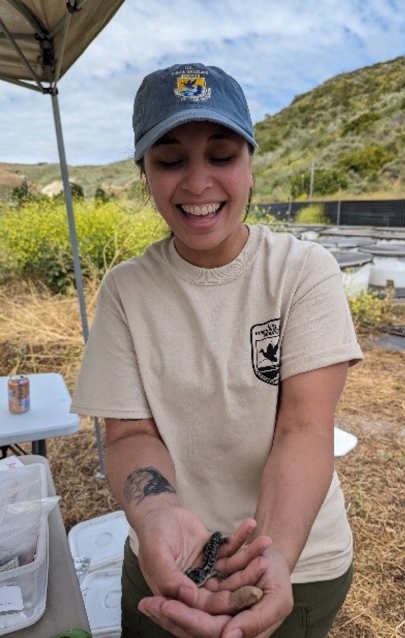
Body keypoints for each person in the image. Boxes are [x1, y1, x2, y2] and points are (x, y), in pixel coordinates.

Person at [71, 62, 364, 638]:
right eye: (171, 159)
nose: (198, 182)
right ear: (145, 175)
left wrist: (270, 556)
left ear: (251, 165)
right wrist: (156, 516)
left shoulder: (303, 273)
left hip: (298, 564)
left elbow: (303, 430)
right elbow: (129, 435)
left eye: (222, 155)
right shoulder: (127, 290)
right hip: (166, 557)